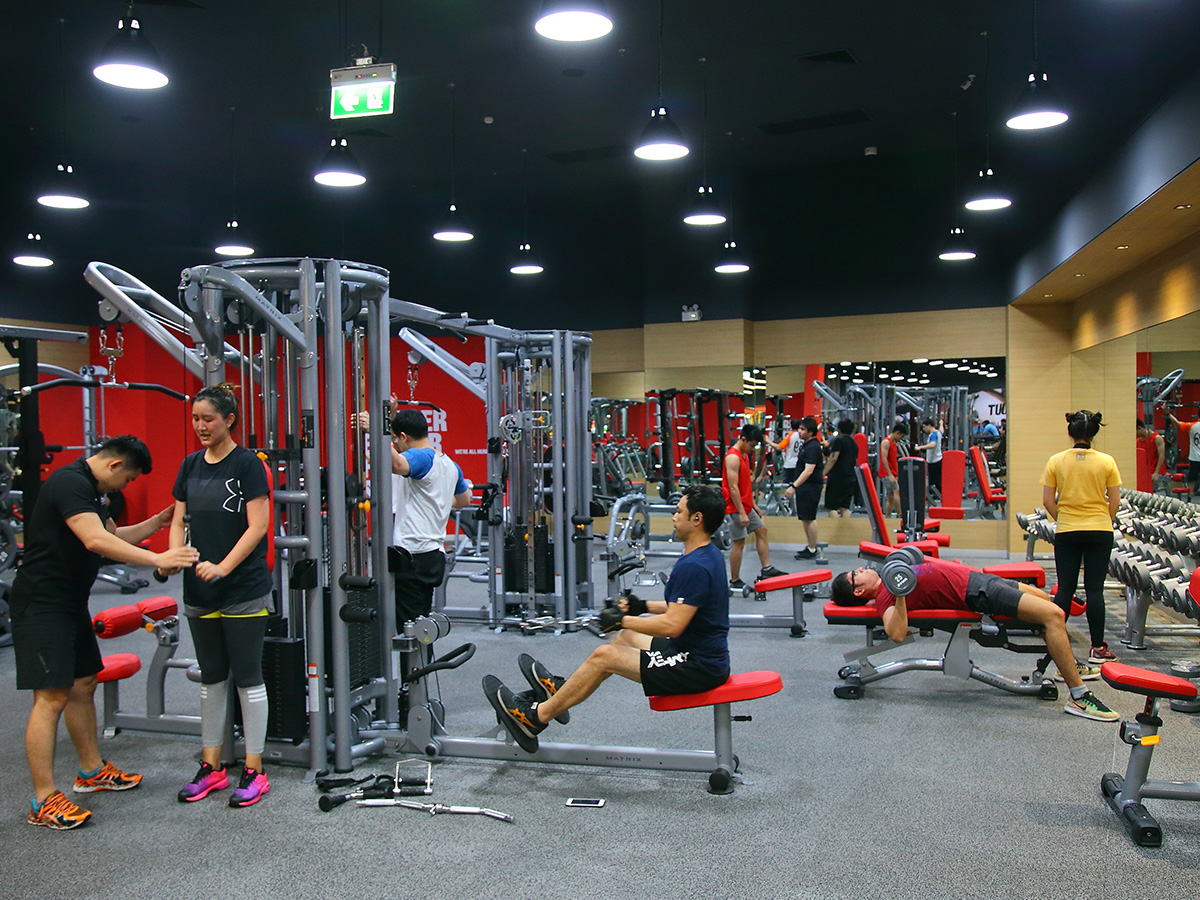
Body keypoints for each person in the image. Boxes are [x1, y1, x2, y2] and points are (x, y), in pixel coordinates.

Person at [10, 436, 198, 830]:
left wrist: (156, 523)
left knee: (83, 684)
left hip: (69, 602)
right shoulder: (69, 483)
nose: (125, 486)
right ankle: (42, 799)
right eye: (127, 479)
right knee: (50, 697)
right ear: (114, 465)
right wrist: (158, 558)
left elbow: (112, 536)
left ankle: (91, 771)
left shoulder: (95, 492)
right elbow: (94, 540)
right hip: (42, 603)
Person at [481, 485, 730, 753]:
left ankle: (534, 718)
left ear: (697, 519)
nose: (674, 516)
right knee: (625, 638)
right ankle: (564, 691)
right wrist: (640, 607)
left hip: (696, 667)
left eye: (679, 512)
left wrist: (622, 620)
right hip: (695, 653)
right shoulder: (707, 554)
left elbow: (673, 625)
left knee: (604, 656)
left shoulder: (695, 566)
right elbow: (684, 607)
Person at [829, 555, 1118, 722]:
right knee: (1052, 615)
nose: (862, 569)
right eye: (856, 575)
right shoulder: (886, 594)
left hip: (978, 579)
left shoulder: (890, 575)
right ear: (858, 591)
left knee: (1046, 602)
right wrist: (900, 591)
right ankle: (1080, 697)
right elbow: (896, 632)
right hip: (976, 592)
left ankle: (1067, 664)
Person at [166, 386, 274, 808]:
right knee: (211, 677)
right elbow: (179, 520)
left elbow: (258, 526)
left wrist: (224, 567)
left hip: (241, 586)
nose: (200, 426)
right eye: (195, 419)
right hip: (199, 587)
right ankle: (211, 767)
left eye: (208, 419)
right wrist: (173, 555)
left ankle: (255, 770)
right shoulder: (190, 464)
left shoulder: (247, 464)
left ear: (229, 420)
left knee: (247, 676)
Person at [1041, 410, 1122, 664]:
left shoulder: (1056, 461)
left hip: (1068, 530)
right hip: (1100, 530)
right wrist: (1103, 521)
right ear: (1094, 433)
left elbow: (1047, 501)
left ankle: (1055, 647)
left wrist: (1064, 519)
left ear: (1071, 432)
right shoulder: (1107, 461)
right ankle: (1097, 648)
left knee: (1065, 588)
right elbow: (1115, 502)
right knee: (1095, 589)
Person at [384, 408, 472, 624]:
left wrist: (377, 430)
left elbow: (396, 464)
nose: (397, 446)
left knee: (408, 628)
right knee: (421, 623)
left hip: (412, 554)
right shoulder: (450, 464)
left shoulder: (420, 456)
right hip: (433, 555)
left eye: (396, 440)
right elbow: (463, 500)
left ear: (403, 437)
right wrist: (437, 499)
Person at [721, 423, 786, 589]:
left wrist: (753, 506)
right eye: (751, 445)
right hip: (735, 508)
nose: (752, 449)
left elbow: (744, 486)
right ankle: (735, 581)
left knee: (762, 530)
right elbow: (733, 488)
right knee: (739, 542)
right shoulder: (733, 457)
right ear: (743, 439)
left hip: (745, 506)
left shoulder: (743, 455)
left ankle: (767, 569)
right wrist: (742, 513)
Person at [784, 416, 823, 560]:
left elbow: (808, 471)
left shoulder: (812, 447)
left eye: (803, 429)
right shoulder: (807, 444)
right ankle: (810, 546)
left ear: (810, 432)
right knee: (805, 518)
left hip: (810, 487)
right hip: (805, 486)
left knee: (809, 518)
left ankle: (812, 549)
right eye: (799, 429)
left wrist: (793, 486)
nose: (799, 432)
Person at [823, 418, 859, 517]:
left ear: (839, 429)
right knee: (845, 507)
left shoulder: (838, 440)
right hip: (850, 477)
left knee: (832, 507)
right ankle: (845, 527)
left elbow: (833, 458)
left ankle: (833, 527)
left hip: (837, 478)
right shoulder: (854, 443)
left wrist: (823, 473)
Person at [766, 418, 803, 512]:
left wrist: (768, 441)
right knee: (798, 485)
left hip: (790, 464)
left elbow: (779, 447)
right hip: (800, 464)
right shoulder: (803, 436)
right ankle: (797, 505)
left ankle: (788, 506)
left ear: (791, 426)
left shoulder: (790, 436)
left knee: (788, 486)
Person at [1167, 410, 1199, 497]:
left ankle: (1190, 497)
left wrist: (1168, 414)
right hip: (1195, 458)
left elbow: (1177, 423)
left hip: (1195, 458)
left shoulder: (1192, 426)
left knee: (1192, 479)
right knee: (1192, 478)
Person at [878, 423, 907, 518]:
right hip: (886, 473)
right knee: (896, 492)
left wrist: (895, 473)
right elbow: (884, 459)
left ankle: (888, 517)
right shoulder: (886, 442)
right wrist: (890, 474)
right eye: (901, 436)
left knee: (890, 496)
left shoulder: (893, 443)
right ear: (897, 433)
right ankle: (900, 515)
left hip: (892, 472)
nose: (900, 438)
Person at [914, 418, 943, 501]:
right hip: (937, 460)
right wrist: (941, 423)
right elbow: (942, 430)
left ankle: (939, 496)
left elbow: (932, 445)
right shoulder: (938, 433)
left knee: (935, 481)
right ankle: (938, 495)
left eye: (924, 427)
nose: (923, 429)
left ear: (929, 426)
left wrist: (920, 447)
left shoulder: (933, 435)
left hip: (934, 461)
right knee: (937, 479)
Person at [1136, 418, 1166, 489]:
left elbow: (1161, 456)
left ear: (1139, 428)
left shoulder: (1157, 438)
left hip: (1155, 472)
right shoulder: (1138, 441)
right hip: (1145, 473)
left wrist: (1156, 473)